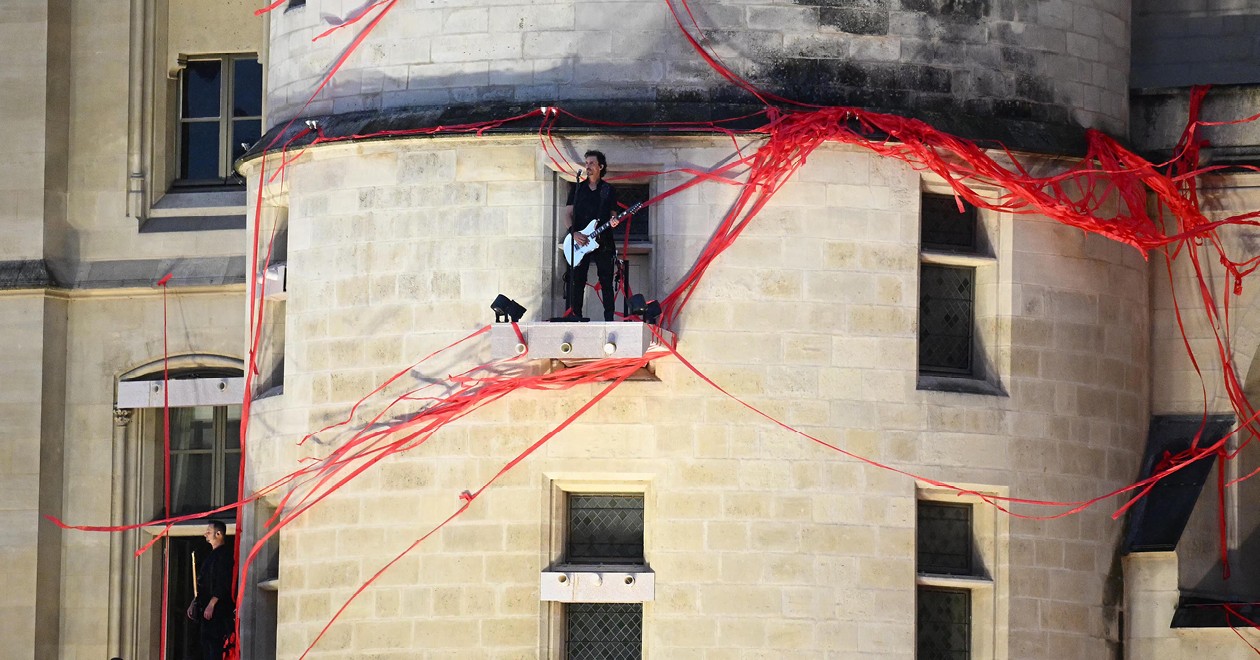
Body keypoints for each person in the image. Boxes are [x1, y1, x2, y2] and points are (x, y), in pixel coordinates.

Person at [564, 150, 621, 321]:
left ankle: (609, 319)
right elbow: (567, 213)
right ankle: (576, 316)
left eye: (591, 163)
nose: (587, 166)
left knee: (606, 280)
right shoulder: (577, 189)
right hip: (580, 239)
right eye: (586, 163)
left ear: (600, 167)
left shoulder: (608, 190)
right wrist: (573, 233)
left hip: (603, 240)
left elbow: (613, 215)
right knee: (577, 279)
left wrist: (614, 221)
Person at [187, 520, 234, 660]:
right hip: (205, 609)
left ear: (218, 534)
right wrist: (194, 602)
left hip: (216, 611)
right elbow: (203, 584)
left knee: (214, 648)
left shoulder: (224, 555)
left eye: (208, 531)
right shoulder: (211, 555)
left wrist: (212, 604)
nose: (205, 534)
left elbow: (223, 582)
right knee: (203, 647)